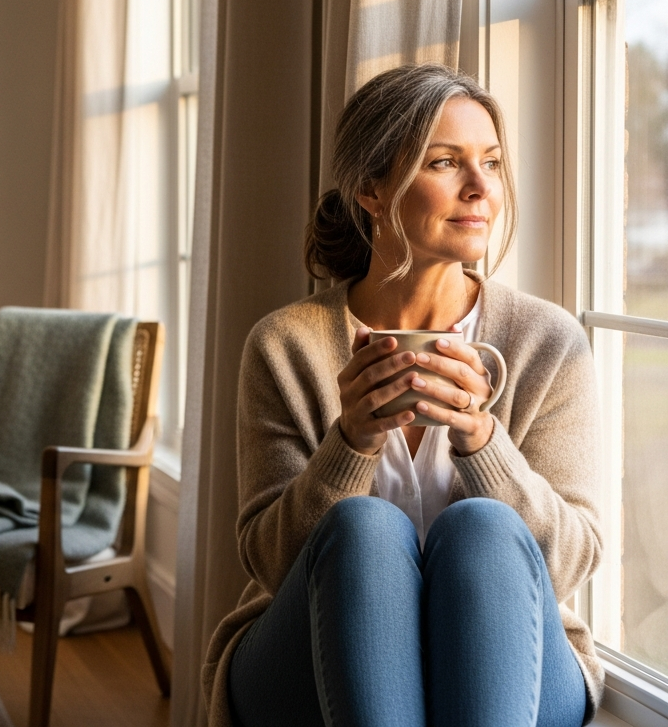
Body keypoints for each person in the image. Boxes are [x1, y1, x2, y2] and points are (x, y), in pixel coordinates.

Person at [202, 62, 602, 727]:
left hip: (514, 663)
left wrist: (483, 443)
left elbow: (570, 563)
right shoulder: (286, 344)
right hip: (304, 658)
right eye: (446, 162)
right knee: (363, 528)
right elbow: (272, 565)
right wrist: (350, 444)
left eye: (492, 162)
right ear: (370, 188)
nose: (481, 188)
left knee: (483, 527)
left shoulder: (547, 342)